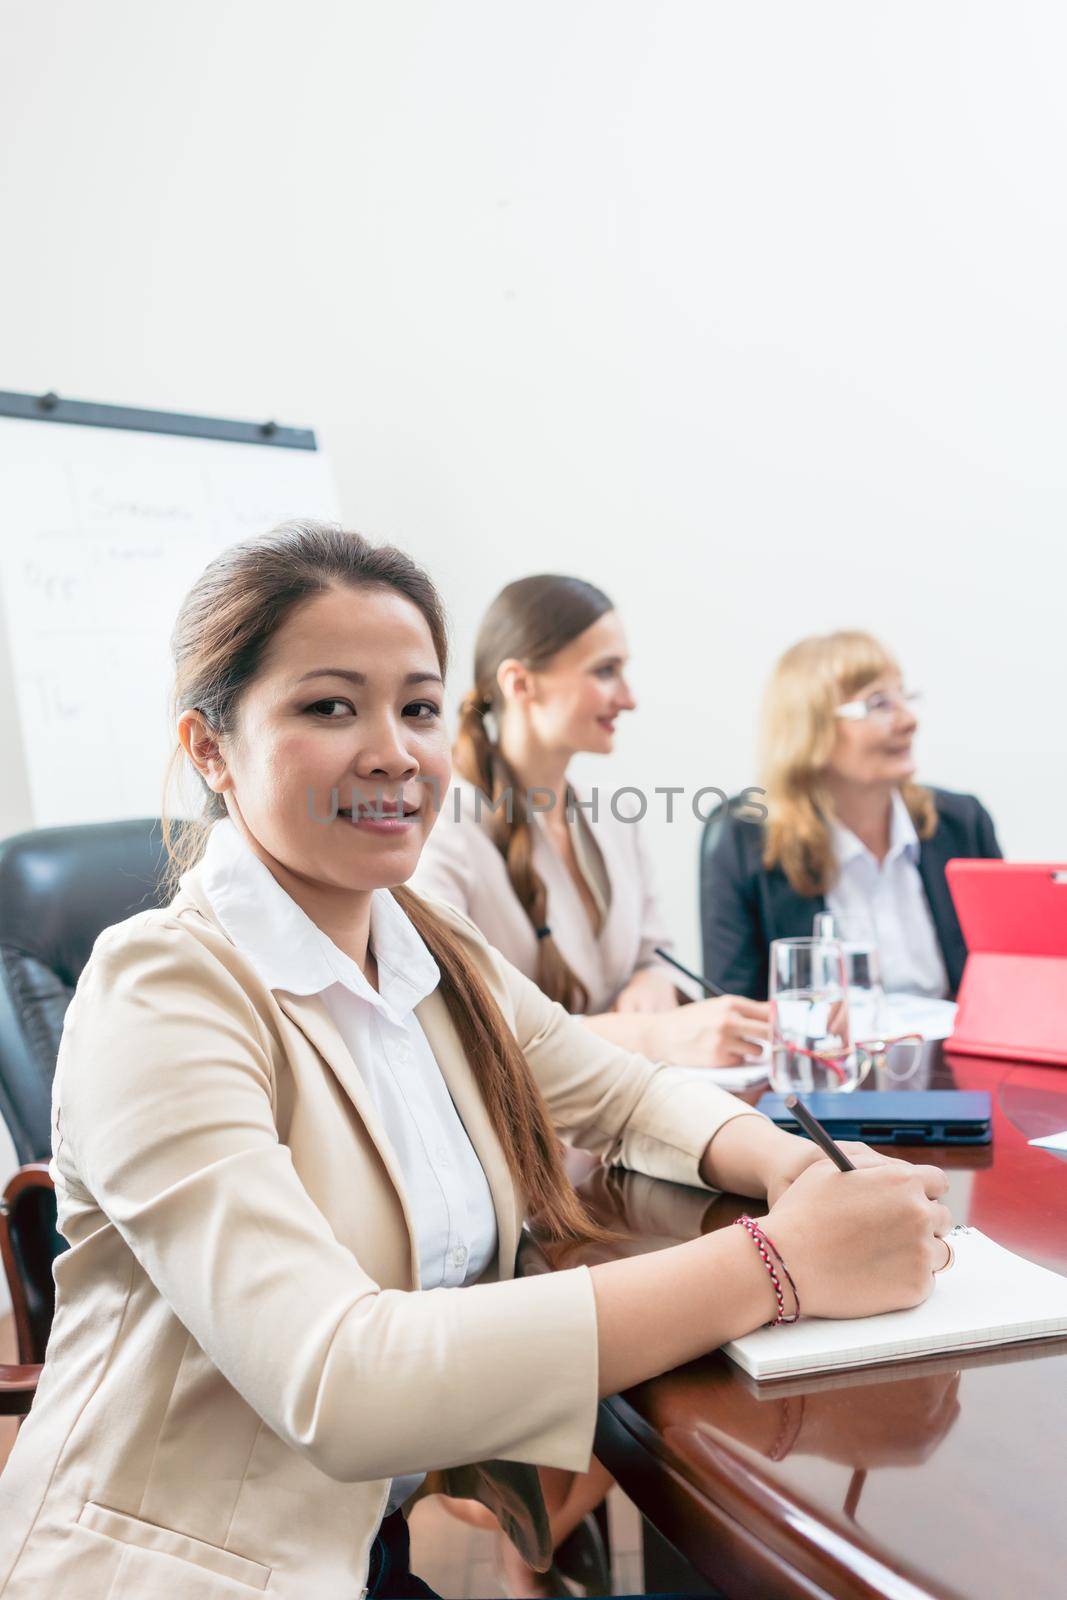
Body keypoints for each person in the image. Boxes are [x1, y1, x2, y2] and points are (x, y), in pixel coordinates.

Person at [0, 526, 953, 1600]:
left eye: (414, 706)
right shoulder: (162, 994)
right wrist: (778, 1265)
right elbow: (338, 1377)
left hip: (361, 1551)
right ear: (211, 749)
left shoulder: (423, 938)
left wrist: (783, 1168)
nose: (393, 751)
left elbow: (615, 1088)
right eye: (328, 706)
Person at [411, 573, 769, 1068]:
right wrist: (646, 1036)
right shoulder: (437, 828)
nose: (628, 698)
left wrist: (651, 980)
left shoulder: (614, 816)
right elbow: (464, 1026)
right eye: (605, 672)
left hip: (622, 1117)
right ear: (520, 683)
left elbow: (654, 954)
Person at [701, 630, 1002, 1000]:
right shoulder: (744, 838)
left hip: (950, 1057)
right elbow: (735, 1010)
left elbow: (1007, 980)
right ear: (810, 729)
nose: (909, 720)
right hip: (823, 1057)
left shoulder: (961, 823)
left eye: (903, 697)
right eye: (878, 703)